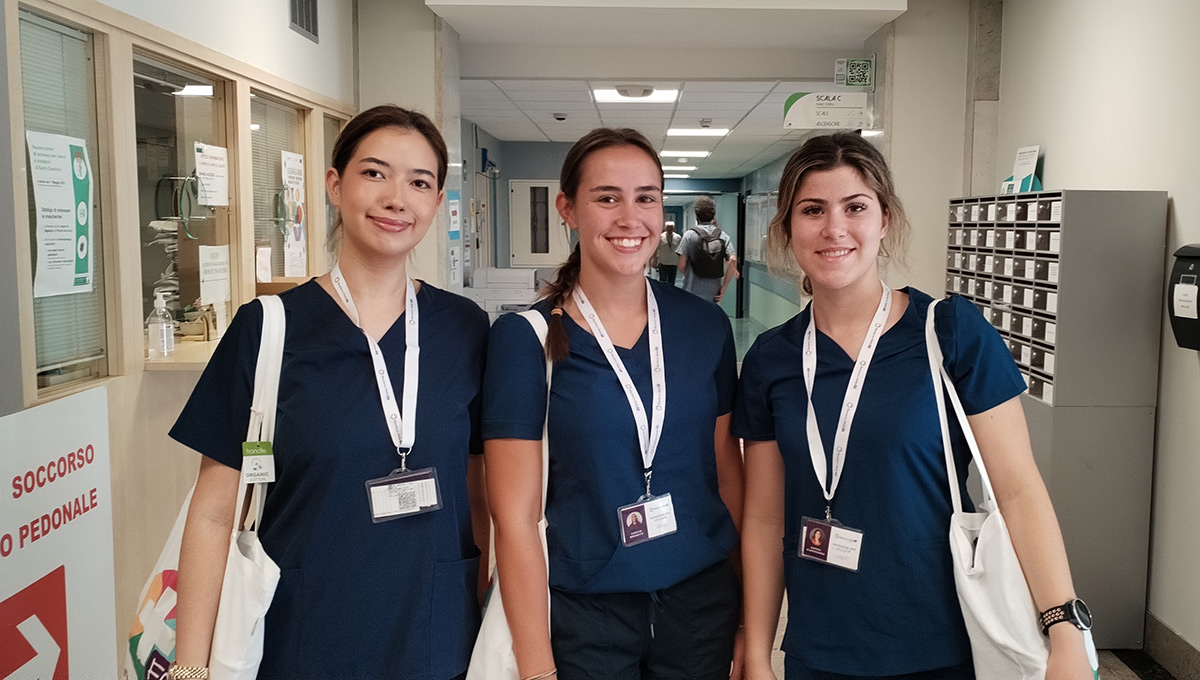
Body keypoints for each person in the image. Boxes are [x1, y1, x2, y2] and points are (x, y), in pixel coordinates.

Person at [736, 132, 1093, 679]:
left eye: (855, 207)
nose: (835, 228)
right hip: (819, 648)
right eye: (812, 210)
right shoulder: (771, 359)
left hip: (946, 644)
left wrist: (1063, 627)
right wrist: (758, 650)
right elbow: (763, 517)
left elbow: (1019, 489)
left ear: (884, 219)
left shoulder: (949, 334)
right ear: (787, 228)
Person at [168, 105, 489, 680]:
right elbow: (216, 514)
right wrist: (190, 670)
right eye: (375, 173)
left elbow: (482, 491)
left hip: (437, 636)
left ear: (437, 203)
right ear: (334, 186)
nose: (397, 198)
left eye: (420, 183)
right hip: (303, 635)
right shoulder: (268, 329)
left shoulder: (465, 329)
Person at [483, 127, 746, 680]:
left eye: (645, 197)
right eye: (607, 198)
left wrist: (749, 622)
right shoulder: (525, 339)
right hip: (584, 615)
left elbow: (726, 476)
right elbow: (516, 517)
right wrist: (536, 668)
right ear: (568, 209)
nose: (630, 218)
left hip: (699, 609)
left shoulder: (704, 327)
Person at [677, 195, 738, 303]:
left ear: (697, 216)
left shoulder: (689, 235)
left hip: (691, 291)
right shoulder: (723, 236)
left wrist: (690, 274)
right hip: (713, 293)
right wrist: (724, 287)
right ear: (713, 215)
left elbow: (681, 265)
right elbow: (732, 260)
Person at [655, 220, 682, 285]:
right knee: (662, 282)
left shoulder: (678, 237)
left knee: (672, 282)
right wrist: (655, 261)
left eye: (671, 227)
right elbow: (656, 249)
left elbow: (680, 251)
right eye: (668, 227)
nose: (669, 229)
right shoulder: (660, 237)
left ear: (674, 228)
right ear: (665, 228)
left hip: (673, 263)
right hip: (663, 263)